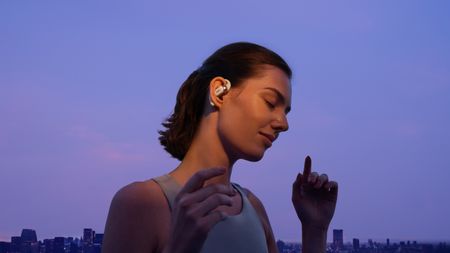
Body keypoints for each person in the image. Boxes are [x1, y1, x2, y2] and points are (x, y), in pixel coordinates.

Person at [102, 42, 338, 253]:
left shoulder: (253, 208)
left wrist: (315, 230)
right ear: (219, 92)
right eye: (270, 103)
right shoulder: (141, 203)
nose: (283, 124)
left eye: (285, 112)